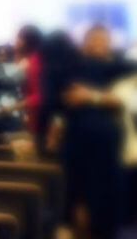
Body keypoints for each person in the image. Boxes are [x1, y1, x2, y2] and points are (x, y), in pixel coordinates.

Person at [60, 25, 136, 238]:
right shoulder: (75, 67)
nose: (98, 44)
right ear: (85, 42)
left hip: (110, 142)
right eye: (94, 39)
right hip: (78, 138)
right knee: (77, 195)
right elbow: (66, 99)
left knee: (105, 198)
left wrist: (90, 96)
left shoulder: (122, 69)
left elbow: (122, 100)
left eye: (103, 40)